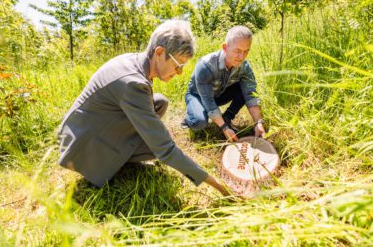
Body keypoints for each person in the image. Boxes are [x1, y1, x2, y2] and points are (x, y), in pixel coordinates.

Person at [58, 20, 229, 196]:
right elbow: (166, 149)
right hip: (82, 147)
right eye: (178, 65)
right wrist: (219, 186)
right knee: (156, 147)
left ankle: (123, 154)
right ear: (160, 52)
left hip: (86, 128)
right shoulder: (132, 83)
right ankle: (101, 164)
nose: (179, 73)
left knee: (159, 102)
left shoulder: (135, 62)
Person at [182, 25, 266, 142]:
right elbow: (208, 100)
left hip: (219, 94)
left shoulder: (244, 66)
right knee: (199, 122)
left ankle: (227, 117)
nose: (242, 57)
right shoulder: (206, 65)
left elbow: (251, 94)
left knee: (243, 88)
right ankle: (190, 116)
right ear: (225, 47)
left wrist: (259, 122)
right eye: (238, 51)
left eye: (246, 51)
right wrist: (224, 128)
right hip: (198, 96)